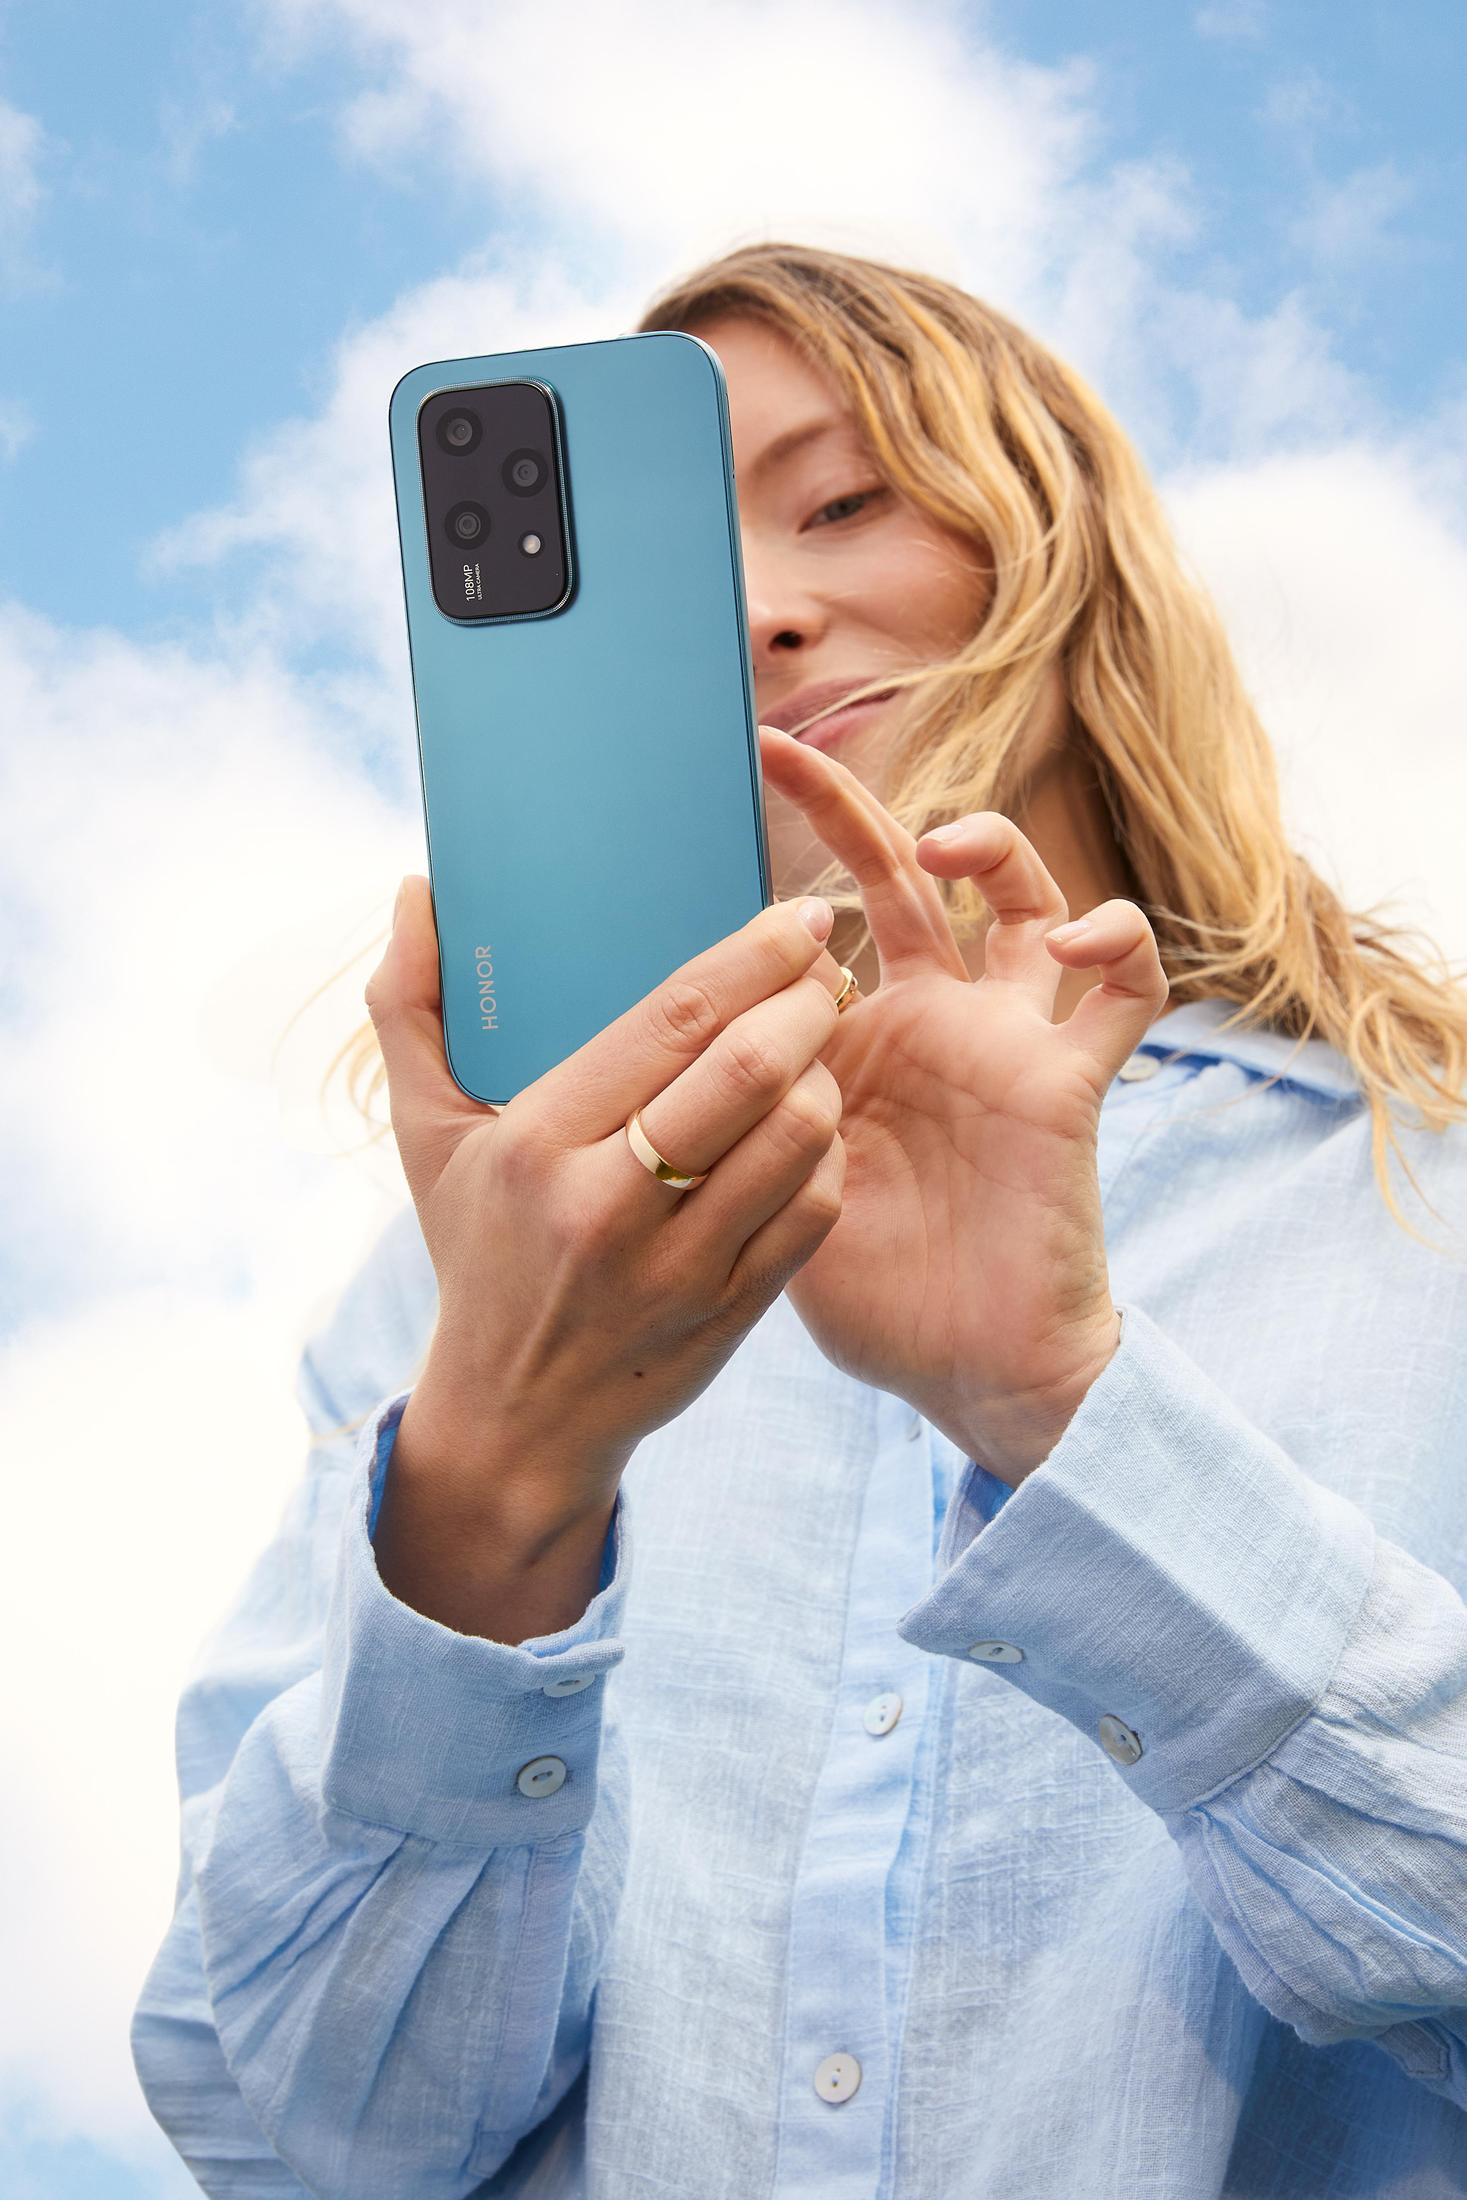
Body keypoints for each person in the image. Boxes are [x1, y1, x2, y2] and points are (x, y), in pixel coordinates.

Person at [132, 241, 1467, 2197]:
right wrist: (499, 1485)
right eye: (680, 570)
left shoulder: (1412, 1185)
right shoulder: (484, 1269)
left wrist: (1071, 1409)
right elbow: (305, 2130)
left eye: (842, 500)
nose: (758, 611)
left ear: (1059, 544)